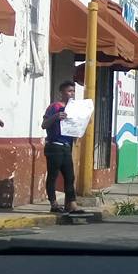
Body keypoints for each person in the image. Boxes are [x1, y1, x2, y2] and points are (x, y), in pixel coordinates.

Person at [41, 81, 80, 214]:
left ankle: (72, 204)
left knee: (70, 177)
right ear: (62, 92)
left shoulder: (73, 109)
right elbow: (44, 125)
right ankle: (54, 204)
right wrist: (56, 117)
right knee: (53, 176)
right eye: (69, 91)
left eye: (73, 91)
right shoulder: (54, 107)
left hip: (67, 146)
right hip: (54, 146)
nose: (72, 94)